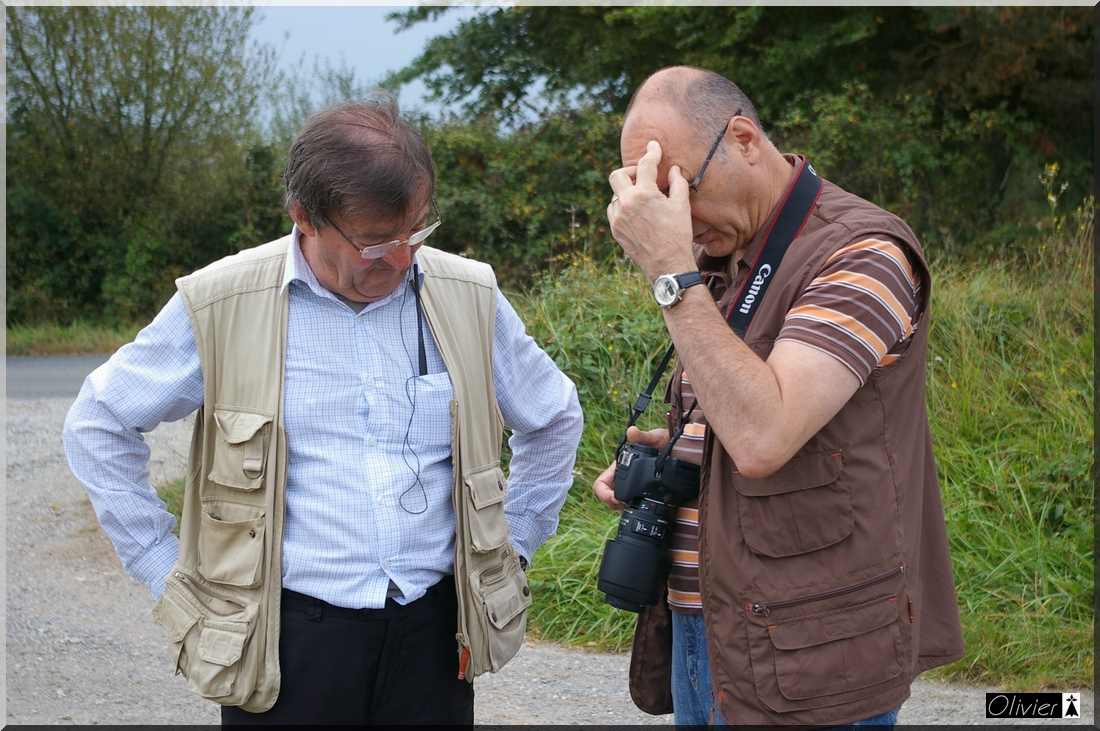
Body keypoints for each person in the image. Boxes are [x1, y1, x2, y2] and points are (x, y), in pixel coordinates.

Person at [64, 95, 583, 725]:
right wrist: (162, 568)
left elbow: (553, 417)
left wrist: (514, 550)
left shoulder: (467, 295)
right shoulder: (224, 301)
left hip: (434, 638)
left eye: (416, 232)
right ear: (303, 215)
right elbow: (98, 422)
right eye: (374, 243)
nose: (401, 259)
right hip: (288, 645)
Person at [593, 66, 964, 727]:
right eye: (652, 195)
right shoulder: (722, 252)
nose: (673, 215)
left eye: (681, 188)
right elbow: (742, 412)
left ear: (742, 139)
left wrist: (670, 275)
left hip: (813, 647)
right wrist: (682, 450)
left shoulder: (861, 250)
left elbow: (765, 436)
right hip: (710, 621)